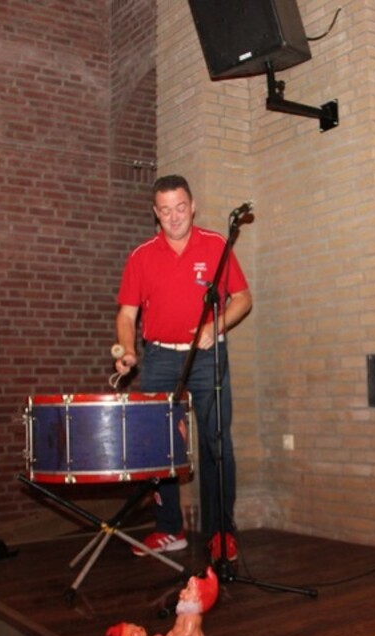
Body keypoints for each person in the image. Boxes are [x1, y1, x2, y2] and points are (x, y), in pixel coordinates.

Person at [115, 174, 252, 562]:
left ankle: (221, 532)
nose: (174, 217)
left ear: (192, 207)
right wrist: (128, 349)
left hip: (207, 356)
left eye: (180, 208)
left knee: (216, 442)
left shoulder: (216, 245)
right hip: (159, 357)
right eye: (165, 210)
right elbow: (127, 315)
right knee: (157, 446)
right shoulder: (141, 256)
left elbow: (243, 298)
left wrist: (215, 326)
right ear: (155, 213)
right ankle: (169, 528)